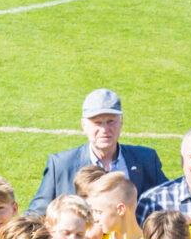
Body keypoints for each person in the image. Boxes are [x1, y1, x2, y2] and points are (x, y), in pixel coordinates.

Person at [27, 88, 164, 214]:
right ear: (84, 125)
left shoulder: (146, 160)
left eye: (111, 121)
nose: (104, 130)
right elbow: (36, 213)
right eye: (97, 122)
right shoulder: (61, 165)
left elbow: (168, 200)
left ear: (121, 122)